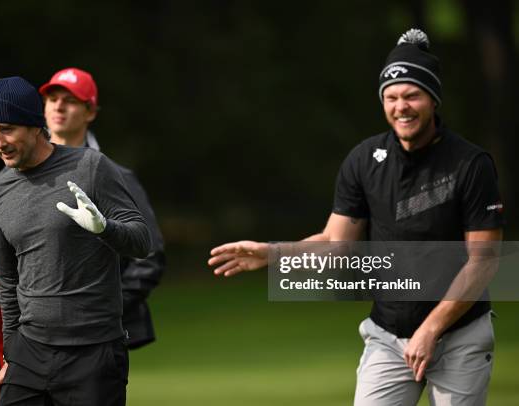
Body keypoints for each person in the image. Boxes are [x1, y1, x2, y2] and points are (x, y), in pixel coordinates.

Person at [208, 29, 504, 406]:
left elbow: (483, 261)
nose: (402, 106)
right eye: (392, 97)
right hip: (388, 335)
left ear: (433, 99)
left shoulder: (470, 164)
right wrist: (270, 254)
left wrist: (432, 327)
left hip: (459, 335)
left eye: (412, 95)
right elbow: (336, 244)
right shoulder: (363, 161)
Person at [0, 68, 165, 355]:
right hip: (35, 337)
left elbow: (148, 254)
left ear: (90, 112)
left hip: (97, 334)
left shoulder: (109, 172)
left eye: (70, 100)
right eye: (52, 98)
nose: (58, 106)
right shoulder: (9, 176)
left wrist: (99, 307)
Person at [0, 76, 150, 405]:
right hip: (29, 354)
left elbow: (142, 241)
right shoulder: (1, 189)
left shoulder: (90, 166)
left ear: (34, 125)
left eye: (7, 128)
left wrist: (105, 229)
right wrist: (10, 357)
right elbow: (8, 277)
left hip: (93, 354)